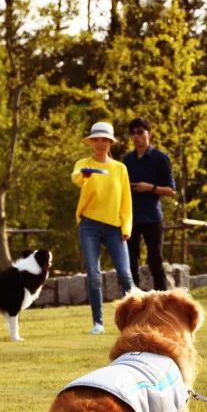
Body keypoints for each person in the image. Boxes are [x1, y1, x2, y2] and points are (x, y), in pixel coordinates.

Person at [72, 121, 135, 334]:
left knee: (125, 275)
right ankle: (98, 323)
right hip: (89, 225)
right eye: (96, 139)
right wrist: (86, 175)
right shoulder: (83, 164)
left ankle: (135, 318)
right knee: (94, 273)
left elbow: (126, 200)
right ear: (91, 142)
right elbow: (77, 178)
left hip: (115, 228)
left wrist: (126, 227)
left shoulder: (120, 169)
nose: (100, 143)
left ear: (110, 143)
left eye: (104, 140)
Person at [122, 117, 176, 291]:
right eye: (133, 133)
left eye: (140, 132)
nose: (136, 136)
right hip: (131, 217)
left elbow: (171, 191)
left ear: (149, 134)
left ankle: (163, 299)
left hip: (152, 217)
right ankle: (133, 299)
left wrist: (149, 188)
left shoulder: (160, 158)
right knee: (130, 260)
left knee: (155, 260)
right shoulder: (127, 160)